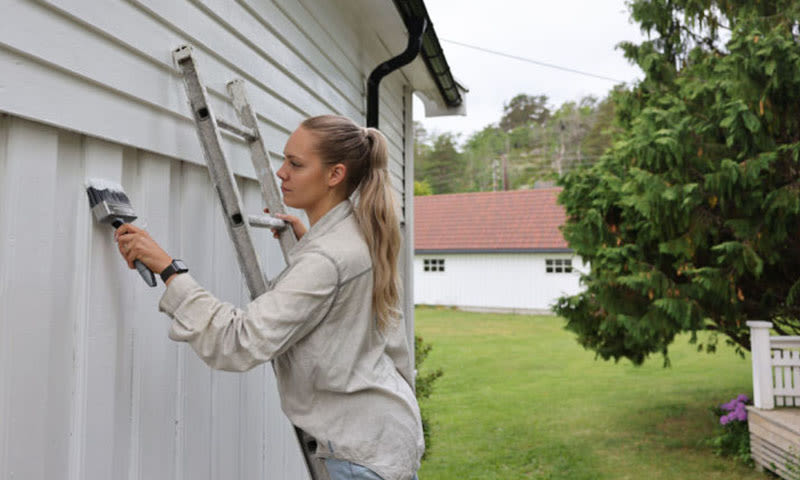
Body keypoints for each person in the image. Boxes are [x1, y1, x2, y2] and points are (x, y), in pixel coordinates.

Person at [114, 115, 424, 480]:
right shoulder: (360, 233)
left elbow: (239, 341)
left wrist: (169, 269)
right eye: (284, 160)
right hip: (387, 437)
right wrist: (307, 244)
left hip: (360, 458)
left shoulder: (327, 258)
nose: (280, 173)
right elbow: (342, 308)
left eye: (295, 164)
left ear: (335, 175)